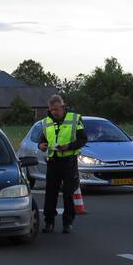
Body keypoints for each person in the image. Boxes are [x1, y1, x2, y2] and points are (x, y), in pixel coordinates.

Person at [37, 94, 87, 233]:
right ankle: (49, 222)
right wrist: (41, 145)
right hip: (53, 161)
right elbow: (42, 140)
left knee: (68, 193)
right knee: (50, 193)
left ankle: (67, 222)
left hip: (68, 161)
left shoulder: (74, 119)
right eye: (52, 110)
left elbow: (83, 139)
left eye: (56, 109)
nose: (54, 112)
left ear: (63, 107)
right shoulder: (46, 122)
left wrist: (69, 146)